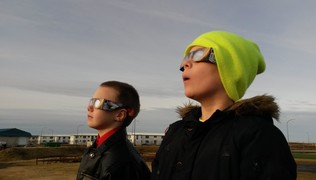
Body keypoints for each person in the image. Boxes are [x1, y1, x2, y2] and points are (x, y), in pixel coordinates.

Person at [151, 31, 296, 180]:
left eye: (197, 55)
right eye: (185, 58)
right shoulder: (175, 131)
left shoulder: (259, 135)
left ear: (230, 68)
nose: (184, 65)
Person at [77, 81, 150, 180]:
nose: (89, 107)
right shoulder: (96, 149)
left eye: (98, 102)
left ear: (120, 115)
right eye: (91, 101)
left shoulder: (122, 162)